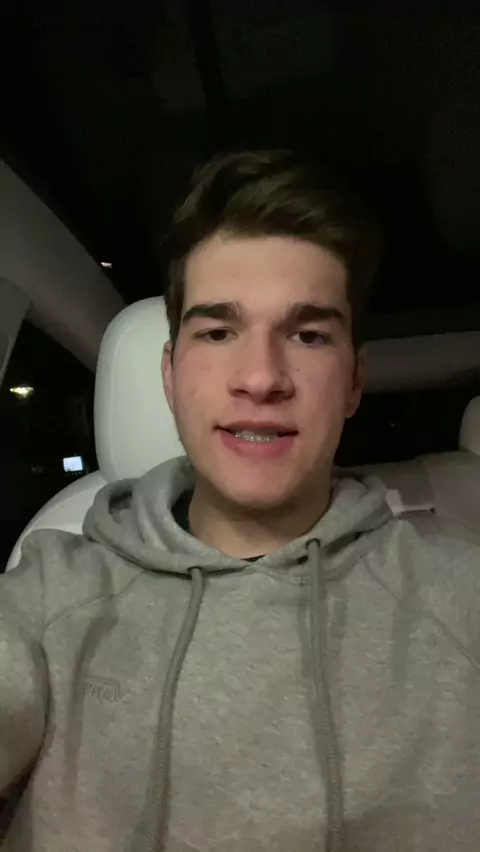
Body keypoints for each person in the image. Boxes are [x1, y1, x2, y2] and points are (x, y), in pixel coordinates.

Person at [0, 149, 479, 852]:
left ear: (353, 381)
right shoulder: (50, 594)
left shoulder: (460, 600)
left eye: (307, 335)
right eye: (218, 332)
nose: (260, 377)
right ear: (171, 376)